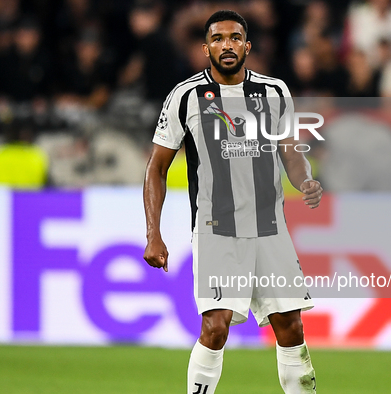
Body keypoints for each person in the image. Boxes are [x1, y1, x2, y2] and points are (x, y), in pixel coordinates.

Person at [143, 10, 322, 394]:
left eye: (235, 38)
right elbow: (156, 167)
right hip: (216, 228)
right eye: (219, 38)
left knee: (290, 325)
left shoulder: (274, 92)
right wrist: (153, 234)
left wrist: (304, 179)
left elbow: (290, 153)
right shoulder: (185, 96)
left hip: (269, 226)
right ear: (205, 47)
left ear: (247, 46)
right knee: (216, 325)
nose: (228, 45)